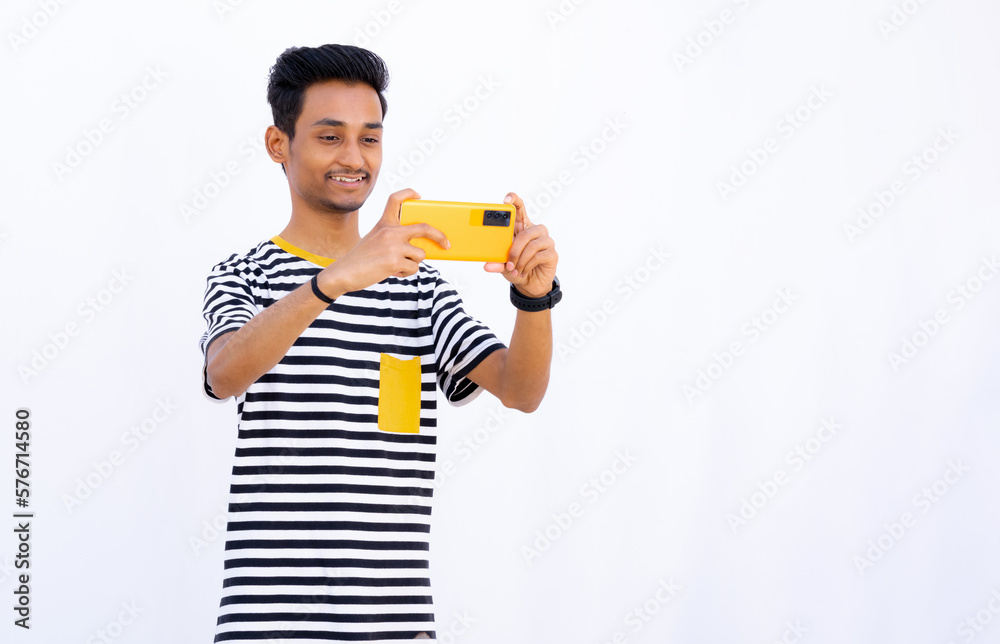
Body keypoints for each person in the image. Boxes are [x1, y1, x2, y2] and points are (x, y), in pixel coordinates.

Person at [199, 44, 560, 642]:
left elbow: (522, 391)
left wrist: (534, 299)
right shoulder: (244, 275)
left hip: (396, 627)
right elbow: (224, 374)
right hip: (269, 624)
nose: (354, 157)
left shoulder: (420, 290)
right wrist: (335, 278)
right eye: (330, 136)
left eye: (370, 138)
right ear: (278, 145)